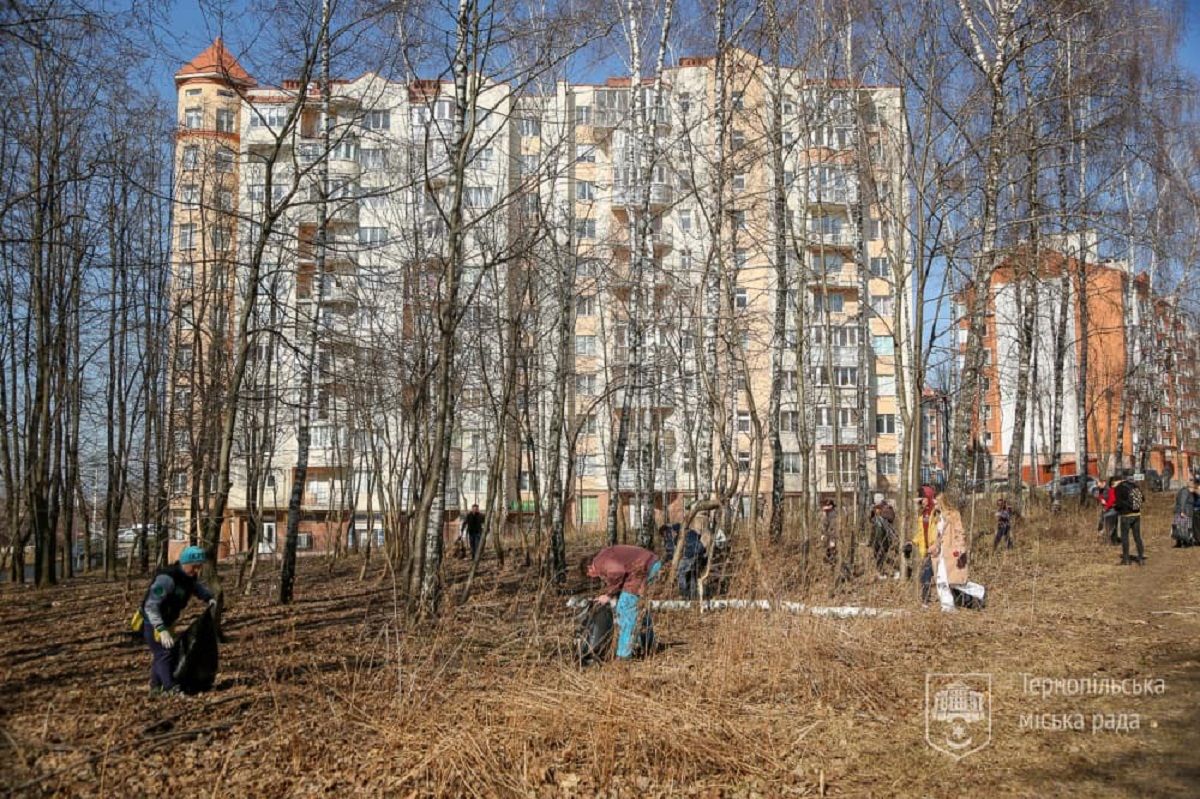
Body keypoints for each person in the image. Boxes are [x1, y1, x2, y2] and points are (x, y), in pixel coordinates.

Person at [142, 546, 216, 694]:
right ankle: (170, 687)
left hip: (168, 621)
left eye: (199, 567)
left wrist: (208, 597)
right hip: (153, 621)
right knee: (164, 653)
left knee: (161, 654)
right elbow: (150, 606)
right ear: (185, 563)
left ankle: (155, 688)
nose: (197, 570)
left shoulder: (188, 578)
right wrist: (161, 629)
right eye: (195, 567)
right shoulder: (166, 579)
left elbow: (196, 587)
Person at [580, 545, 661, 660]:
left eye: (590, 576)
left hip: (642, 568)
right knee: (637, 607)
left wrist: (608, 595)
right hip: (650, 563)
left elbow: (618, 571)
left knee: (625, 607)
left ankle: (624, 654)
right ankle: (649, 643)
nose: (593, 578)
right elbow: (621, 573)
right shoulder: (605, 555)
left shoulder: (599, 562)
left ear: (589, 568)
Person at [930, 496, 970, 612]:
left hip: (951, 552)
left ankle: (979, 592)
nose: (934, 504)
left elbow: (960, 532)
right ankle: (947, 606)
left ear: (942, 502)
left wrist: (960, 548)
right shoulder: (937, 516)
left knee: (955, 581)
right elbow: (938, 535)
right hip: (940, 553)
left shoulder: (954, 514)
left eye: (936, 502)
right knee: (940, 579)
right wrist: (934, 546)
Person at [911, 485, 940, 605]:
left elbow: (942, 530)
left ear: (928, 497)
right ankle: (925, 600)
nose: (920, 502)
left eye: (922, 499)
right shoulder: (922, 514)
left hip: (937, 549)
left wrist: (937, 545)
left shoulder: (936, 512)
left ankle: (927, 600)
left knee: (936, 575)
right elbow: (921, 533)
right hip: (928, 550)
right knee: (926, 575)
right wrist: (912, 542)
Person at [1113, 476, 1145, 565]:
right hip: (1137, 514)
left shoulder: (1119, 488)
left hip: (1126, 515)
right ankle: (1141, 559)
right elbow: (1143, 499)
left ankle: (1126, 559)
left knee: (1125, 537)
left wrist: (1115, 507)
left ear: (1117, 481)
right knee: (1137, 537)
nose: (1113, 485)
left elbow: (1119, 503)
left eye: (1113, 483)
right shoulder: (1135, 485)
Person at [868, 494, 896, 573]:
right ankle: (880, 570)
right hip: (876, 537)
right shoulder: (875, 508)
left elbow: (891, 518)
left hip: (885, 536)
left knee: (882, 554)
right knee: (876, 554)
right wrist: (872, 513)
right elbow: (871, 520)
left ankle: (884, 570)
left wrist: (881, 513)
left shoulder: (888, 508)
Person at [1171, 478, 1199, 547]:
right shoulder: (1185, 491)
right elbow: (1182, 501)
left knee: (1183, 528)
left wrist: (1195, 491)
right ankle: (1182, 543)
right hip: (1184, 512)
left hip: (1187, 511)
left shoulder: (1189, 492)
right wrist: (1182, 511)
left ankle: (1183, 542)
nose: (1194, 489)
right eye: (1193, 487)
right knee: (1181, 528)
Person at [820, 499, 838, 565]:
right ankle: (829, 559)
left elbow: (827, 524)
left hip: (832, 533)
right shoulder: (826, 512)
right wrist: (823, 533)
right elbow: (824, 524)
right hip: (829, 533)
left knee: (831, 546)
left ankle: (831, 559)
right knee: (828, 546)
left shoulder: (832, 513)